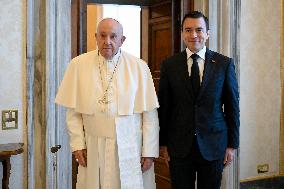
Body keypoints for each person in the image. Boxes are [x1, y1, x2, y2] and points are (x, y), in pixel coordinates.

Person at [55, 18, 159, 189]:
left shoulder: (139, 67)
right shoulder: (78, 65)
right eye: (102, 36)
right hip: (93, 145)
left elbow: (149, 115)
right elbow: (73, 113)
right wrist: (77, 145)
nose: (107, 41)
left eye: (113, 36)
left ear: (122, 40)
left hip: (129, 145)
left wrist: (149, 151)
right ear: (96, 37)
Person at [158, 11, 240, 189]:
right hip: (179, 147)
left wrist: (232, 145)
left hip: (214, 145)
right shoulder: (169, 65)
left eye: (199, 30)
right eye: (188, 30)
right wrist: (162, 144)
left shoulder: (224, 64)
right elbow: (164, 108)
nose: (193, 35)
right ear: (182, 34)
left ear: (207, 33)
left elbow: (232, 107)